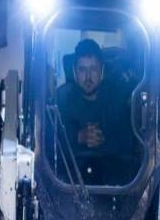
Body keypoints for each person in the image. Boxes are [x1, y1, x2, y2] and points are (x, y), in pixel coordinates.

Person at [55, 38, 134, 184]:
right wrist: (78, 137)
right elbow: (50, 142)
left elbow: (130, 145)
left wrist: (104, 140)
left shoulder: (118, 99)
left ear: (102, 70)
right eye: (82, 70)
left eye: (93, 69)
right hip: (69, 183)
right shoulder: (61, 99)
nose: (88, 77)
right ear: (74, 71)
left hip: (114, 184)